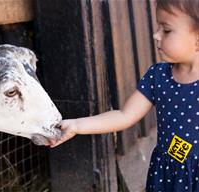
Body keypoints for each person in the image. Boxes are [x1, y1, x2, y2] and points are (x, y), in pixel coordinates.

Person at [50, 0, 199, 191]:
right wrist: (78, 125)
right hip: (166, 177)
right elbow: (125, 115)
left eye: (167, 30)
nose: (156, 35)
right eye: (158, 27)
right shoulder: (158, 76)